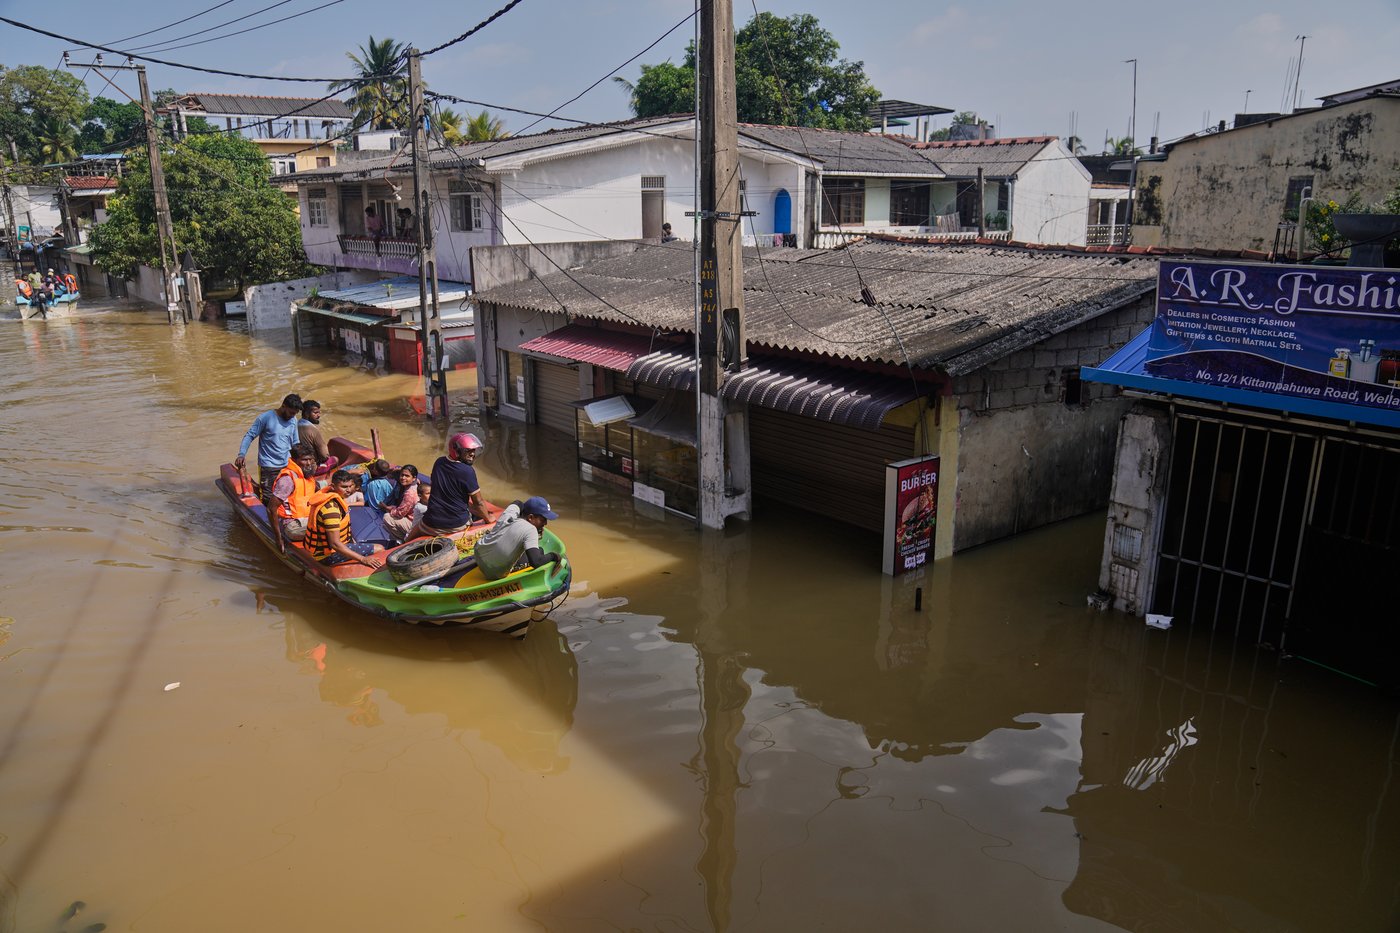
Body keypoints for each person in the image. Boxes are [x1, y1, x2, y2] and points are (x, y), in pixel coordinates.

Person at [408, 433, 489, 539]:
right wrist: (489, 519)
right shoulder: (468, 471)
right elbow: (478, 502)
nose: (472, 454)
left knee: (409, 537)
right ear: (456, 451)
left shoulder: (439, 462)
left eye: (473, 450)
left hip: (431, 522)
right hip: (456, 525)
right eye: (468, 451)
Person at [303, 470, 385, 568]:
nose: (349, 490)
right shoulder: (331, 509)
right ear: (333, 486)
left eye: (350, 486)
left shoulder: (330, 497)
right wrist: (363, 559)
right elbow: (335, 544)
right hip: (326, 556)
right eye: (344, 487)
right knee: (379, 548)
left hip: (323, 550)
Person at [235, 393, 303, 509]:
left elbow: (295, 442)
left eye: (295, 414)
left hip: (286, 465)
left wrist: (301, 460)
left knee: (287, 495)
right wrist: (241, 454)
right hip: (268, 466)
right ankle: (267, 522)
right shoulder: (266, 418)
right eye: (291, 412)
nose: (292, 416)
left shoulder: (293, 420)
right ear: (283, 406)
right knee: (267, 497)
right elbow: (250, 436)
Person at [472, 497, 563, 581]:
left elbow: (518, 502)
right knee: (540, 551)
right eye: (543, 520)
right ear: (530, 517)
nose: (545, 523)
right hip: (493, 572)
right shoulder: (531, 530)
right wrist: (554, 556)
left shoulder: (510, 514)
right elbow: (536, 562)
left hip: (478, 556)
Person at [270, 443, 319, 545]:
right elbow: (271, 509)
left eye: (311, 459)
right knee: (329, 526)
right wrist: (278, 538)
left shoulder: (307, 475)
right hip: (291, 525)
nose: (309, 463)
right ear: (295, 460)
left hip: (305, 520)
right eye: (305, 460)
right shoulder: (287, 480)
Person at [380, 465, 421, 543]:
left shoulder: (409, 494)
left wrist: (387, 508)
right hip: (415, 517)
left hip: (413, 522)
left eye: (407, 476)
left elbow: (399, 514)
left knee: (387, 517)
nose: (403, 478)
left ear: (413, 478)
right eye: (402, 475)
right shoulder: (416, 483)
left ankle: (404, 539)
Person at [297, 399, 339, 475]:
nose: (319, 415)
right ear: (306, 414)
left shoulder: (296, 424)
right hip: (310, 468)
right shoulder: (313, 430)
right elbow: (324, 455)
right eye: (315, 413)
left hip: (298, 464)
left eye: (319, 412)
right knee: (335, 459)